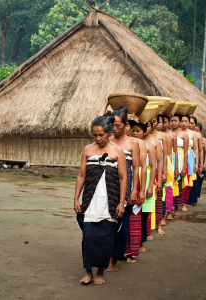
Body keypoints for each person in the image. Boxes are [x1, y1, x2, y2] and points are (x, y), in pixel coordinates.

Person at [74, 115, 127, 285]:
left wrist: (121, 202)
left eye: (101, 135)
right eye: (95, 135)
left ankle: (100, 273)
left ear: (109, 133)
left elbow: (123, 178)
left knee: (106, 238)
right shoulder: (88, 150)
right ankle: (88, 272)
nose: (98, 138)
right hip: (91, 200)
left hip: (110, 201)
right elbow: (82, 175)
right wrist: (76, 198)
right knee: (88, 237)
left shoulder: (117, 151)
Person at [98, 100, 142, 271]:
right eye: (112, 125)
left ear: (125, 126)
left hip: (126, 186)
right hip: (107, 184)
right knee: (105, 221)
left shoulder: (133, 143)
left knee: (120, 223)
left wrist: (134, 191)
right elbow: (99, 120)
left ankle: (114, 260)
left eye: (117, 125)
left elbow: (136, 167)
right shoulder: (107, 139)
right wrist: (105, 105)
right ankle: (103, 254)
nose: (114, 129)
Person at [130, 120, 156, 254]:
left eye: (138, 131)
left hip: (144, 176)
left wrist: (150, 186)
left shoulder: (149, 146)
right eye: (133, 130)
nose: (135, 133)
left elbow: (152, 166)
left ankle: (140, 242)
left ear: (144, 132)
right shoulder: (128, 143)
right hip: (132, 175)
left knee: (143, 212)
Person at [149, 116, 168, 235]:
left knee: (159, 198)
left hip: (158, 169)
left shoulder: (162, 137)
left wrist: (164, 173)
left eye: (155, 121)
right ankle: (148, 228)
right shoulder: (139, 138)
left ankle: (159, 224)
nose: (154, 124)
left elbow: (164, 156)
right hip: (147, 170)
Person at [161, 115, 179, 221]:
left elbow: (174, 152)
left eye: (164, 122)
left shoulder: (171, 135)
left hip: (168, 161)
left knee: (168, 189)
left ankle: (169, 212)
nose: (162, 124)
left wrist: (173, 168)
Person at [170, 114, 188, 216]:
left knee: (178, 184)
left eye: (175, 121)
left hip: (179, 159)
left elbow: (185, 152)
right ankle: (169, 208)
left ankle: (176, 207)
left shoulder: (183, 134)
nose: (173, 123)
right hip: (169, 159)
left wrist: (184, 167)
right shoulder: (167, 133)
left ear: (180, 122)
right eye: (171, 121)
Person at [179, 115, 198, 212]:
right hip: (178, 157)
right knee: (177, 181)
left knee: (188, 181)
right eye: (182, 121)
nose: (184, 123)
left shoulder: (193, 134)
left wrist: (197, 163)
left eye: (186, 121)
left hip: (189, 158)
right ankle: (177, 204)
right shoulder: (176, 132)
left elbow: (196, 149)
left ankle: (184, 204)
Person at [187, 116, 204, 206]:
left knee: (194, 179)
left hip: (194, 159)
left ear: (195, 125)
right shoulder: (184, 133)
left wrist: (200, 164)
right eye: (188, 122)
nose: (190, 125)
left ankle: (192, 200)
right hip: (184, 158)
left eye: (192, 123)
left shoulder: (198, 135)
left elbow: (200, 150)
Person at [196, 123, 206, 201]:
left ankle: (196, 197)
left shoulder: (203, 140)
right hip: (194, 160)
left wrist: (204, 163)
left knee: (199, 180)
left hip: (201, 161)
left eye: (198, 131)